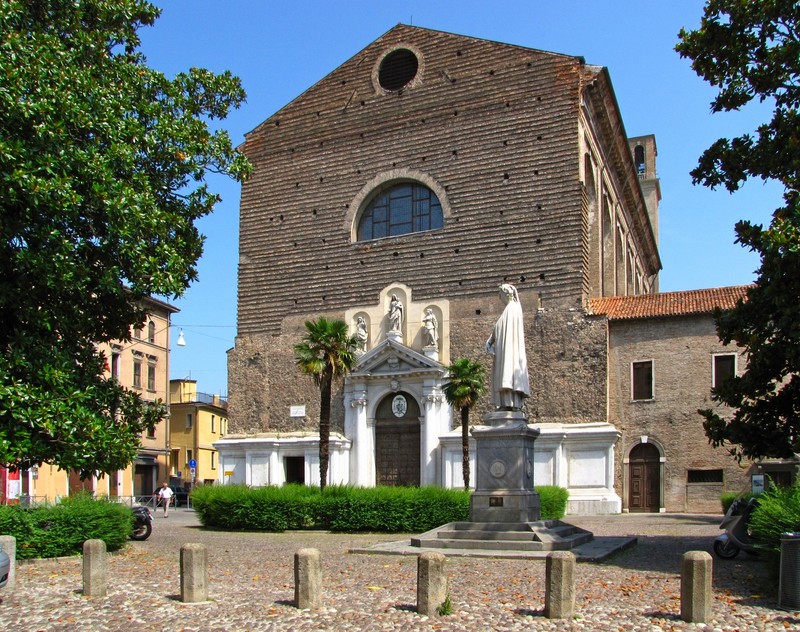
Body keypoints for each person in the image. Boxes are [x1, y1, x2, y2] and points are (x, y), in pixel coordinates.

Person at [485, 283, 530, 410]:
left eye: (500, 295)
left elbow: (505, 330)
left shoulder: (512, 309)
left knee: (509, 373)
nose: (499, 298)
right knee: (505, 374)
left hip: (509, 352)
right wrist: (490, 340)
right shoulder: (508, 310)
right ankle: (506, 403)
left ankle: (511, 403)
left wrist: (491, 340)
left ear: (506, 294)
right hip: (503, 350)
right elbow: (500, 328)